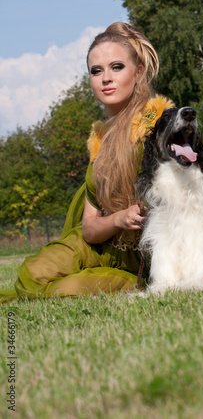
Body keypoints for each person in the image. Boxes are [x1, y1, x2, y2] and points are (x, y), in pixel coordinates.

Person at [0, 23, 174, 302]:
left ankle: (129, 285)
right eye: (97, 70)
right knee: (30, 276)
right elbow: (90, 229)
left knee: (62, 291)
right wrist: (118, 218)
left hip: (146, 260)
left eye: (117, 67)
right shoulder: (100, 145)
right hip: (102, 247)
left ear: (138, 72)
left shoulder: (160, 126)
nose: (106, 78)